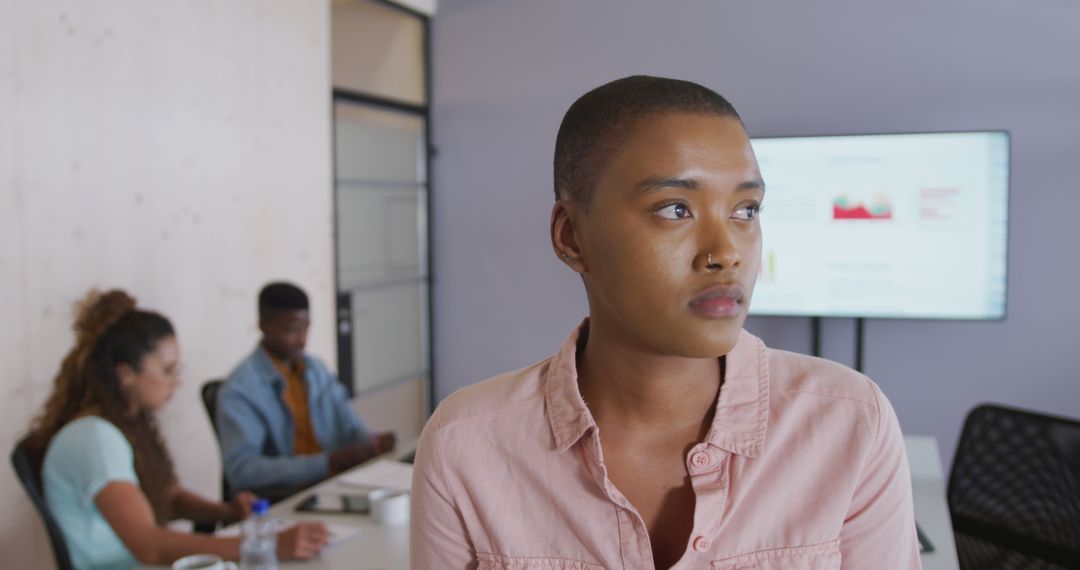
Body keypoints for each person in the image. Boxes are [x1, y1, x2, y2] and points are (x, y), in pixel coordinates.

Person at [411, 76, 922, 569]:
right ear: (571, 237)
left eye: (746, 210)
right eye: (676, 209)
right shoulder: (467, 444)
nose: (726, 253)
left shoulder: (850, 423)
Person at [23, 290, 329, 569]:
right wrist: (262, 544)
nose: (176, 380)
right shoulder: (95, 438)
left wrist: (226, 512)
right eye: (167, 370)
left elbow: (165, 498)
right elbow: (149, 547)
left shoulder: (124, 425)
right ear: (126, 374)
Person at [216, 282, 396, 500]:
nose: (302, 339)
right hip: (286, 499)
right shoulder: (241, 389)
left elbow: (349, 424)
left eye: (306, 328)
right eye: (292, 330)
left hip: (333, 487)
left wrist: (372, 442)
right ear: (264, 325)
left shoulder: (315, 370)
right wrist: (327, 462)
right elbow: (242, 470)